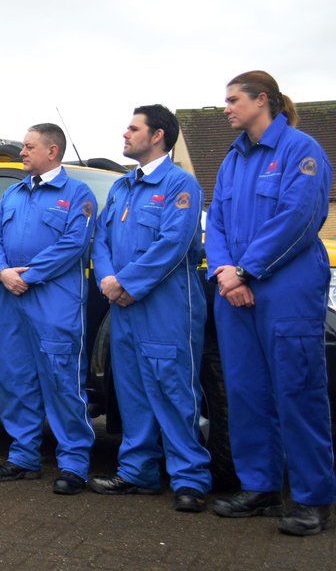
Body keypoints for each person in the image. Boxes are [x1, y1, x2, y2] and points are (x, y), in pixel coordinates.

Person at [206, 71, 336, 536]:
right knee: (245, 393)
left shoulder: (301, 151)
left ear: (263, 100)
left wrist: (246, 270)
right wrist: (224, 271)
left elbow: (299, 220)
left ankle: (313, 499)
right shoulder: (232, 160)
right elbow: (215, 220)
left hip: (286, 288)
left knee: (298, 393)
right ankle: (259, 488)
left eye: (233, 99)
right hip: (234, 291)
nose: (225, 108)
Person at [88, 105, 210, 513]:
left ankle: (190, 478)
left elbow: (173, 245)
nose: (125, 134)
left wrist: (127, 282)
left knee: (174, 391)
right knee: (133, 391)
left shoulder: (182, 185)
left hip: (166, 305)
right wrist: (109, 281)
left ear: (158, 135)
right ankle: (137, 472)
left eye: (133, 128)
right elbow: (101, 241)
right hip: (123, 307)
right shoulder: (122, 187)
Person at [0, 123, 97, 495]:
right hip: (13, 301)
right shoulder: (13, 194)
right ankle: (24, 457)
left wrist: (27, 276)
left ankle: (74, 463)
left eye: (29, 147)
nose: (22, 153)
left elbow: (73, 244)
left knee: (63, 380)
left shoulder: (77, 193)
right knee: (15, 379)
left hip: (54, 301)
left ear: (53, 151)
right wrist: (1, 271)